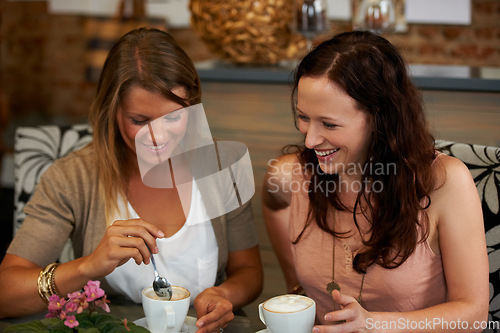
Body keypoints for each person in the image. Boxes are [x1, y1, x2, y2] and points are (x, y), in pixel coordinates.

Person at [0, 28, 263, 333]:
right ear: (111, 111)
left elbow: (249, 270)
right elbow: (5, 294)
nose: (158, 137)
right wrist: (88, 266)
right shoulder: (71, 177)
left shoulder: (220, 166)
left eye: (174, 118)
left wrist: (224, 294)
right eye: (139, 121)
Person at [262, 30, 488, 332]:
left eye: (329, 124)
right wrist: (298, 294)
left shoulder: (446, 182)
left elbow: (473, 315)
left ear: (380, 119)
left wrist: (373, 324)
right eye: (303, 117)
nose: (311, 140)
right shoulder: (290, 175)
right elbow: (273, 207)